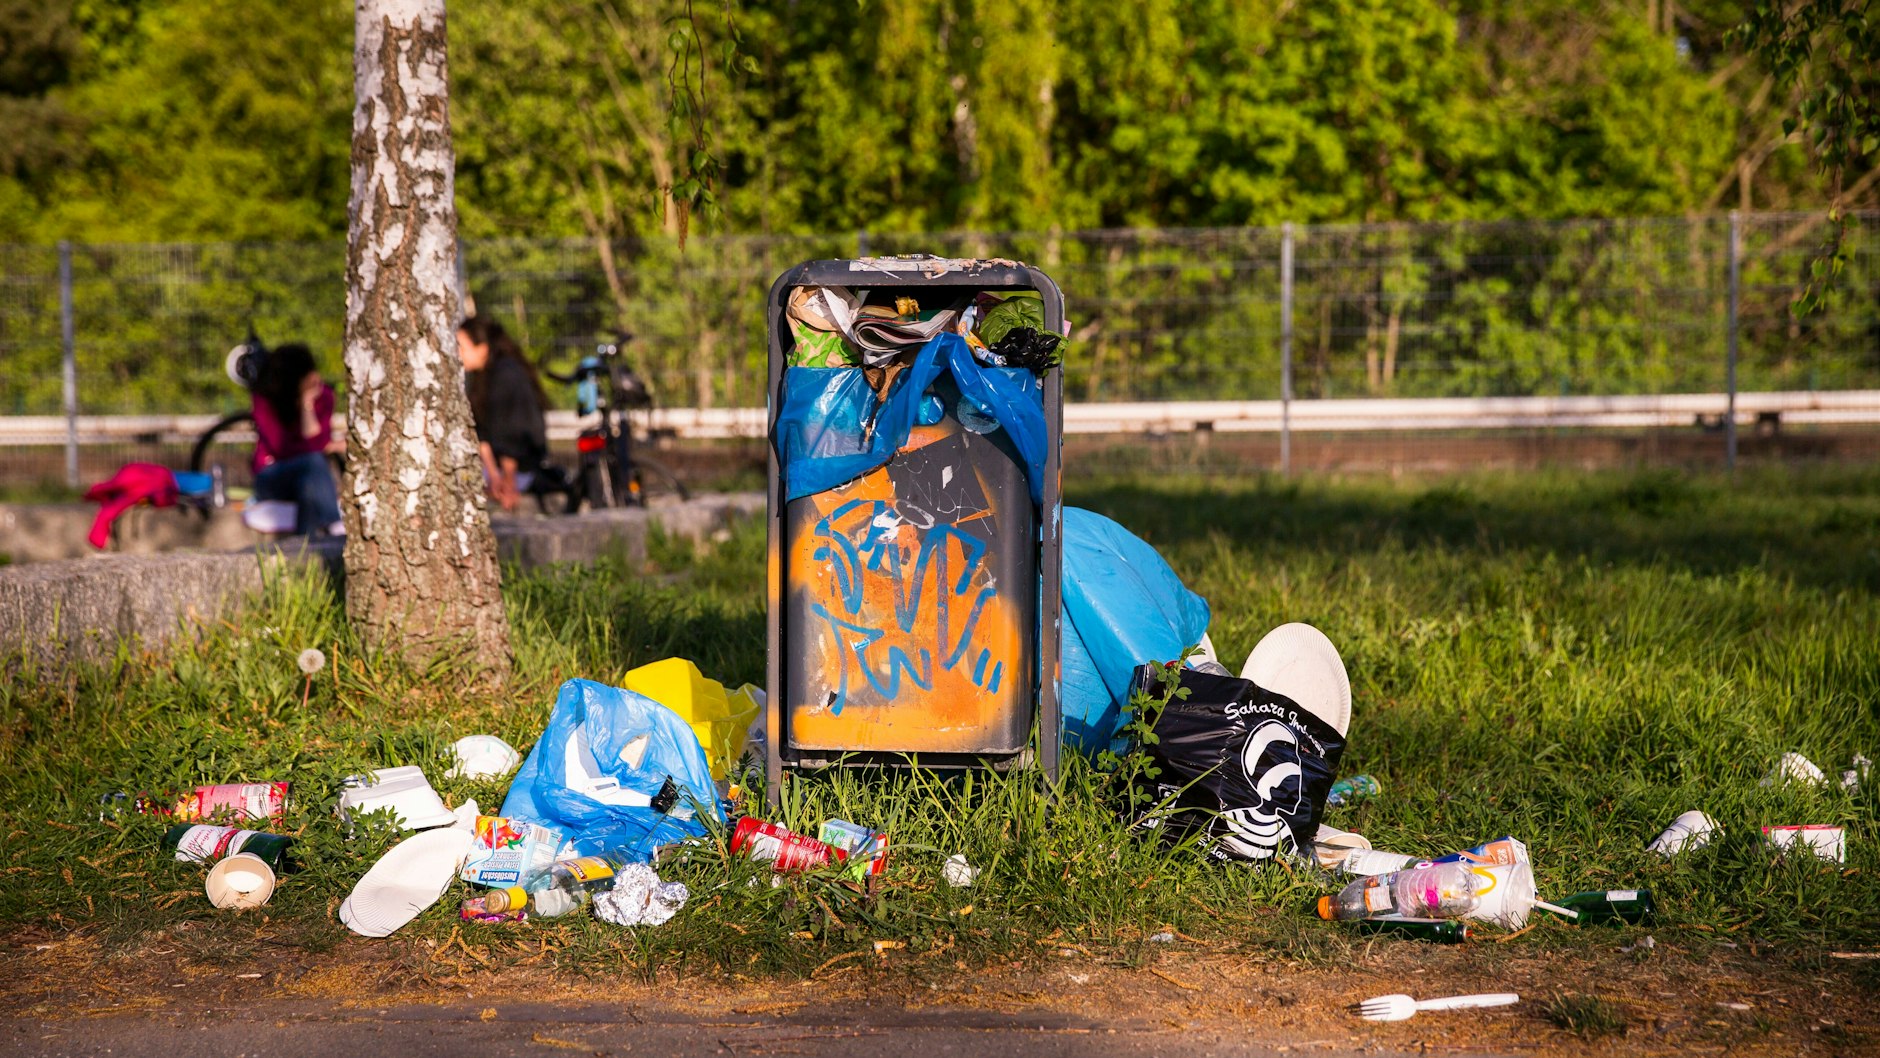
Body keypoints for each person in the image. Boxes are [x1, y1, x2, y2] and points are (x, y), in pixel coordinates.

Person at [457, 316, 549, 512]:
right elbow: (481, 432)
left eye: (461, 347)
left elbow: (512, 435)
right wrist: (493, 475)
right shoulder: (482, 378)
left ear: (482, 348)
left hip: (520, 468)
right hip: (497, 468)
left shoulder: (507, 375)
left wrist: (507, 480)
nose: (457, 354)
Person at [250, 343, 344, 536]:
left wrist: (307, 406)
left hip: (310, 476)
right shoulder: (265, 400)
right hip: (271, 476)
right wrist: (322, 447)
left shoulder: (323, 396)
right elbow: (282, 449)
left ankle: (303, 548)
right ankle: (335, 524)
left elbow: (318, 444)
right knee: (313, 463)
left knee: (307, 486)